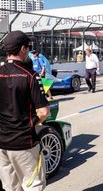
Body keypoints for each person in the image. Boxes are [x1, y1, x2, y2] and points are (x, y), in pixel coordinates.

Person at [0, 30, 49, 191]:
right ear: (22, 49)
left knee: (11, 188)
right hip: (23, 143)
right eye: (28, 47)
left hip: (1, 143)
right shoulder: (30, 76)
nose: (28, 50)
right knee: (33, 185)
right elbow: (43, 112)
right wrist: (29, 125)